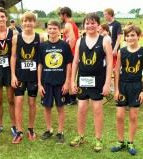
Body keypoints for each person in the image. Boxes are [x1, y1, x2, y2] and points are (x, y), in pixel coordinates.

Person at [69, 13, 112, 152]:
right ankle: (81, 136)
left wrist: (107, 84)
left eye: (93, 23)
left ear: (98, 25)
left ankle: (98, 139)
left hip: (98, 80)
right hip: (82, 80)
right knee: (81, 109)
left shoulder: (104, 40)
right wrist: (72, 81)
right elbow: (75, 62)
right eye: (87, 23)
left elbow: (110, 64)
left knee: (97, 110)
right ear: (84, 25)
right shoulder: (80, 41)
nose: (90, 25)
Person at [111, 25, 143, 156]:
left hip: (136, 86)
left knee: (133, 116)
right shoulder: (122, 51)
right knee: (119, 116)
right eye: (127, 35)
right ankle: (120, 141)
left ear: (138, 36)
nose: (129, 38)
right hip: (122, 86)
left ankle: (131, 142)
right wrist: (116, 90)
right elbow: (116, 71)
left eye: (132, 35)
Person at [38, 20, 73, 144]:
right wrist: (39, 84)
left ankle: (60, 131)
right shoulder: (42, 46)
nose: (52, 31)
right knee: (47, 107)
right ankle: (49, 129)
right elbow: (40, 65)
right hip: (46, 82)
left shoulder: (64, 45)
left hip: (60, 82)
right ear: (47, 30)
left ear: (60, 30)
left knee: (60, 107)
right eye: (50, 28)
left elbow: (69, 64)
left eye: (55, 28)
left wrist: (67, 82)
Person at [11, 12, 42, 144]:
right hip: (20, 76)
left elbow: (40, 60)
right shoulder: (16, 38)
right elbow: (13, 57)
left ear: (34, 23)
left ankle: (30, 128)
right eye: (25, 21)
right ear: (22, 22)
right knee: (18, 102)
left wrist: (40, 80)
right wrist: (13, 75)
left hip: (33, 77)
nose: (28, 23)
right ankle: (19, 131)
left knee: (31, 103)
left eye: (30, 21)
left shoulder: (39, 37)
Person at [0, 7, 17, 136]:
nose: (0, 19)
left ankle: (14, 125)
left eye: (2, 16)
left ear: (6, 18)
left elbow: (15, 55)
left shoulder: (14, 34)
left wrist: (14, 74)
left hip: (9, 70)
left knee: (11, 99)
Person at [58, 7, 79, 105]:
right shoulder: (72, 23)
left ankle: (72, 98)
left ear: (64, 14)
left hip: (72, 53)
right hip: (74, 53)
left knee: (69, 75)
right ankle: (72, 97)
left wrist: (67, 52)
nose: (60, 17)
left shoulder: (68, 24)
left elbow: (73, 39)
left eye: (60, 15)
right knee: (71, 75)